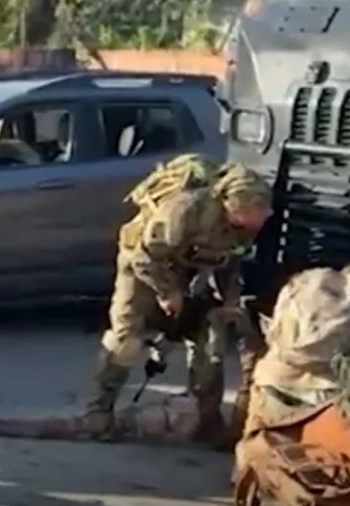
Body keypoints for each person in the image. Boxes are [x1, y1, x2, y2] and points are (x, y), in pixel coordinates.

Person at [85, 155, 274, 440]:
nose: (265, 215)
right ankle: (99, 413)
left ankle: (206, 421)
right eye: (258, 210)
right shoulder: (185, 210)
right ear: (234, 205)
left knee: (211, 340)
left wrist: (229, 304)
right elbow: (144, 256)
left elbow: (229, 263)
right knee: (126, 338)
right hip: (143, 268)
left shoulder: (243, 228)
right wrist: (168, 293)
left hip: (189, 271)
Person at [240, 262, 350, 439]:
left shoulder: (301, 289)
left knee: (260, 449)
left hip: (277, 389)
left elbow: (273, 336)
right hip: (341, 403)